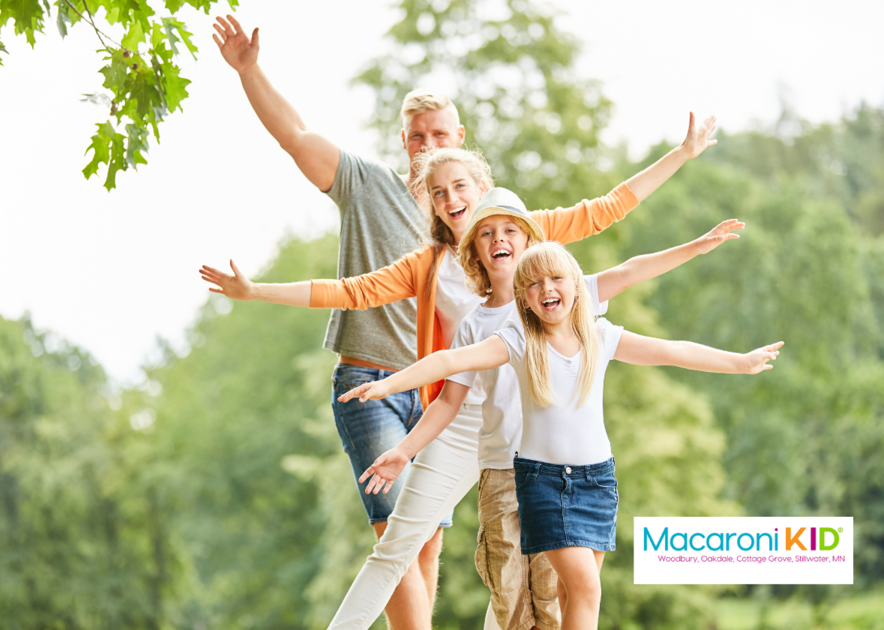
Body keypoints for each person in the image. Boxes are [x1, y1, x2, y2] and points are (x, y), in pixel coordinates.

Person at [339, 242, 783, 630]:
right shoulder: (516, 342)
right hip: (545, 485)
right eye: (532, 284)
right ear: (523, 299)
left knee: (572, 598)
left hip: (598, 485)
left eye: (555, 279)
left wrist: (739, 362)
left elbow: (674, 351)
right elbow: (448, 362)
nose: (546, 289)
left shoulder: (600, 337)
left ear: (575, 286)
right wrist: (387, 385)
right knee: (586, 589)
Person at [211, 14, 468, 626]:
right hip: (368, 383)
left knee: (427, 540)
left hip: (436, 395)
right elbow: (295, 135)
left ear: (459, 137)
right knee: (395, 536)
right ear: (404, 142)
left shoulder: (470, 217)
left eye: (438, 135)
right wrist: (251, 72)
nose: (427, 146)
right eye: (416, 137)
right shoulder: (365, 183)